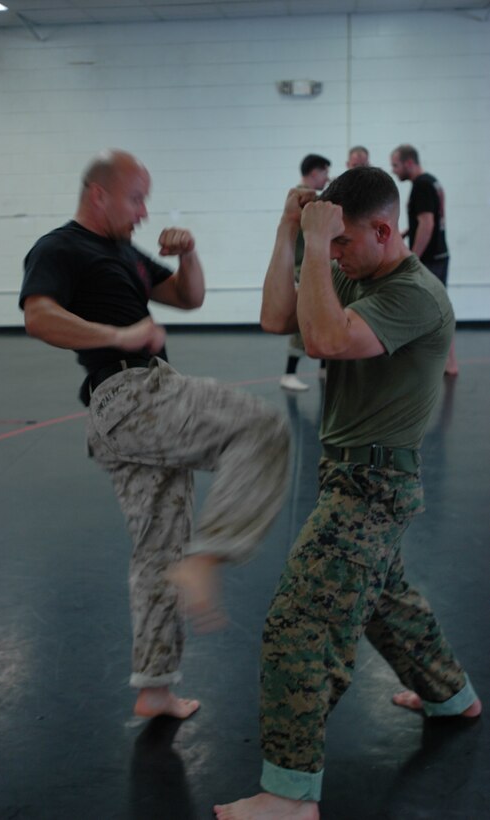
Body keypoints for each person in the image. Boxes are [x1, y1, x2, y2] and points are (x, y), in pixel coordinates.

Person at [214, 167, 481, 820]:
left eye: (342, 243)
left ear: (385, 231)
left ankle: (288, 795)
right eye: (328, 246)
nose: (333, 256)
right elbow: (276, 315)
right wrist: (289, 231)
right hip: (347, 472)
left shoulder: (415, 295)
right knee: (386, 601)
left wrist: (313, 245)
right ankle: (452, 697)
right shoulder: (355, 273)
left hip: (371, 487)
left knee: (299, 624)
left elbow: (324, 338)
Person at [20, 149, 290, 722]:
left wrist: (189, 253)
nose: (143, 212)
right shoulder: (61, 246)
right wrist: (117, 334)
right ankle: (212, 554)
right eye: (136, 197)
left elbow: (189, 298)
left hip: (124, 417)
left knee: (157, 551)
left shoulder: (126, 252)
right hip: (133, 397)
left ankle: (155, 686)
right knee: (264, 426)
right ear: (100, 195)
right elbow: (39, 315)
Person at [391, 144, 458, 375]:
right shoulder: (432, 181)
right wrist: (407, 233)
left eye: (396, 165)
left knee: (434, 311)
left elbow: (428, 223)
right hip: (439, 254)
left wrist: (413, 257)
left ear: (409, 163)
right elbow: (428, 218)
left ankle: (448, 362)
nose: (394, 170)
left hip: (430, 258)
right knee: (438, 309)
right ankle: (447, 362)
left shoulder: (421, 185)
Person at [280, 153, 331, 391]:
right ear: (314, 172)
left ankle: (324, 367)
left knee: (325, 316)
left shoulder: (307, 197)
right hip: (303, 269)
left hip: (311, 267)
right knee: (304, 322)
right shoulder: (303, 197)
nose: (327, 178)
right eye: (324, 173)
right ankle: (289, 373)